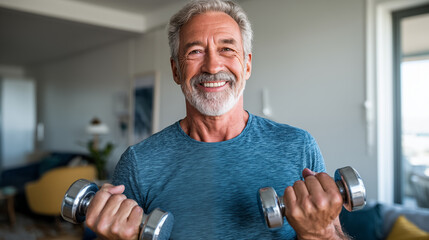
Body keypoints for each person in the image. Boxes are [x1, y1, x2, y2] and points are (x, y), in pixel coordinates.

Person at [85, 0, 348, 239]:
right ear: (176, 70)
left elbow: (332, 233)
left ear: (246, 65)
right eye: (196, 51)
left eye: (226, 49)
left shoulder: (299, 146)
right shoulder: (138, 163)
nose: (212, 66)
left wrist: (320, 233)